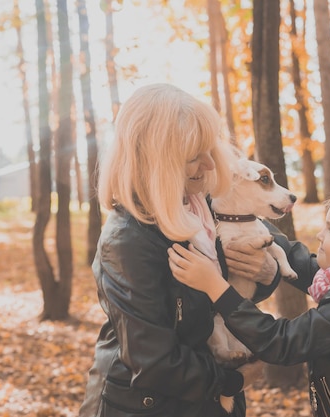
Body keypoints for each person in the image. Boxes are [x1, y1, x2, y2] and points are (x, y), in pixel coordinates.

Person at [78, 83, 282, 417]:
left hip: (205, 397)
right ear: (157, 163)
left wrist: (269, 273)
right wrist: (233, 380)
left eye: (208, 149)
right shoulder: (127, 242)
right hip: (149, 405)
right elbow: (154, 362)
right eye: (193, 157)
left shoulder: (201, 206)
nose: (210, 164)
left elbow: (246, 277)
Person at [168, 184, 330, 417]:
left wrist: (216, 287)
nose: (320, 235)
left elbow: (282, 342)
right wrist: (245, 214)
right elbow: (306, 266)